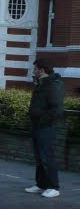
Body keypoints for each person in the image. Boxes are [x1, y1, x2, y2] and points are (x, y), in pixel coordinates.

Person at [26, 59, 65, 198]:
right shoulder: (41, 84)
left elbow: (57, 109)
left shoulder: (52, 85)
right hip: (37, 125)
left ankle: (54, 186)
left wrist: (43, 121)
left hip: (46, 127)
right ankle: (41, 184)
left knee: (47, 156)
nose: (34, 72)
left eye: (35, 69)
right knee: (39, 157)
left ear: (42, 70)